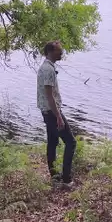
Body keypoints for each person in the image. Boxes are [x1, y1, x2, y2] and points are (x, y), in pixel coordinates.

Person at [37, 41, 76, 188]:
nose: (61, 54)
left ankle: (54, 177)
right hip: (52, 112)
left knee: (53, 142)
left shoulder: (47, 67)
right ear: (50, 51)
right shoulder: (48, 70)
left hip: (47, 112)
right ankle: (66, 179)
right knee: (71, 142)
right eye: (59, 51)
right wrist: (58, 116)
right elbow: (49, 95)